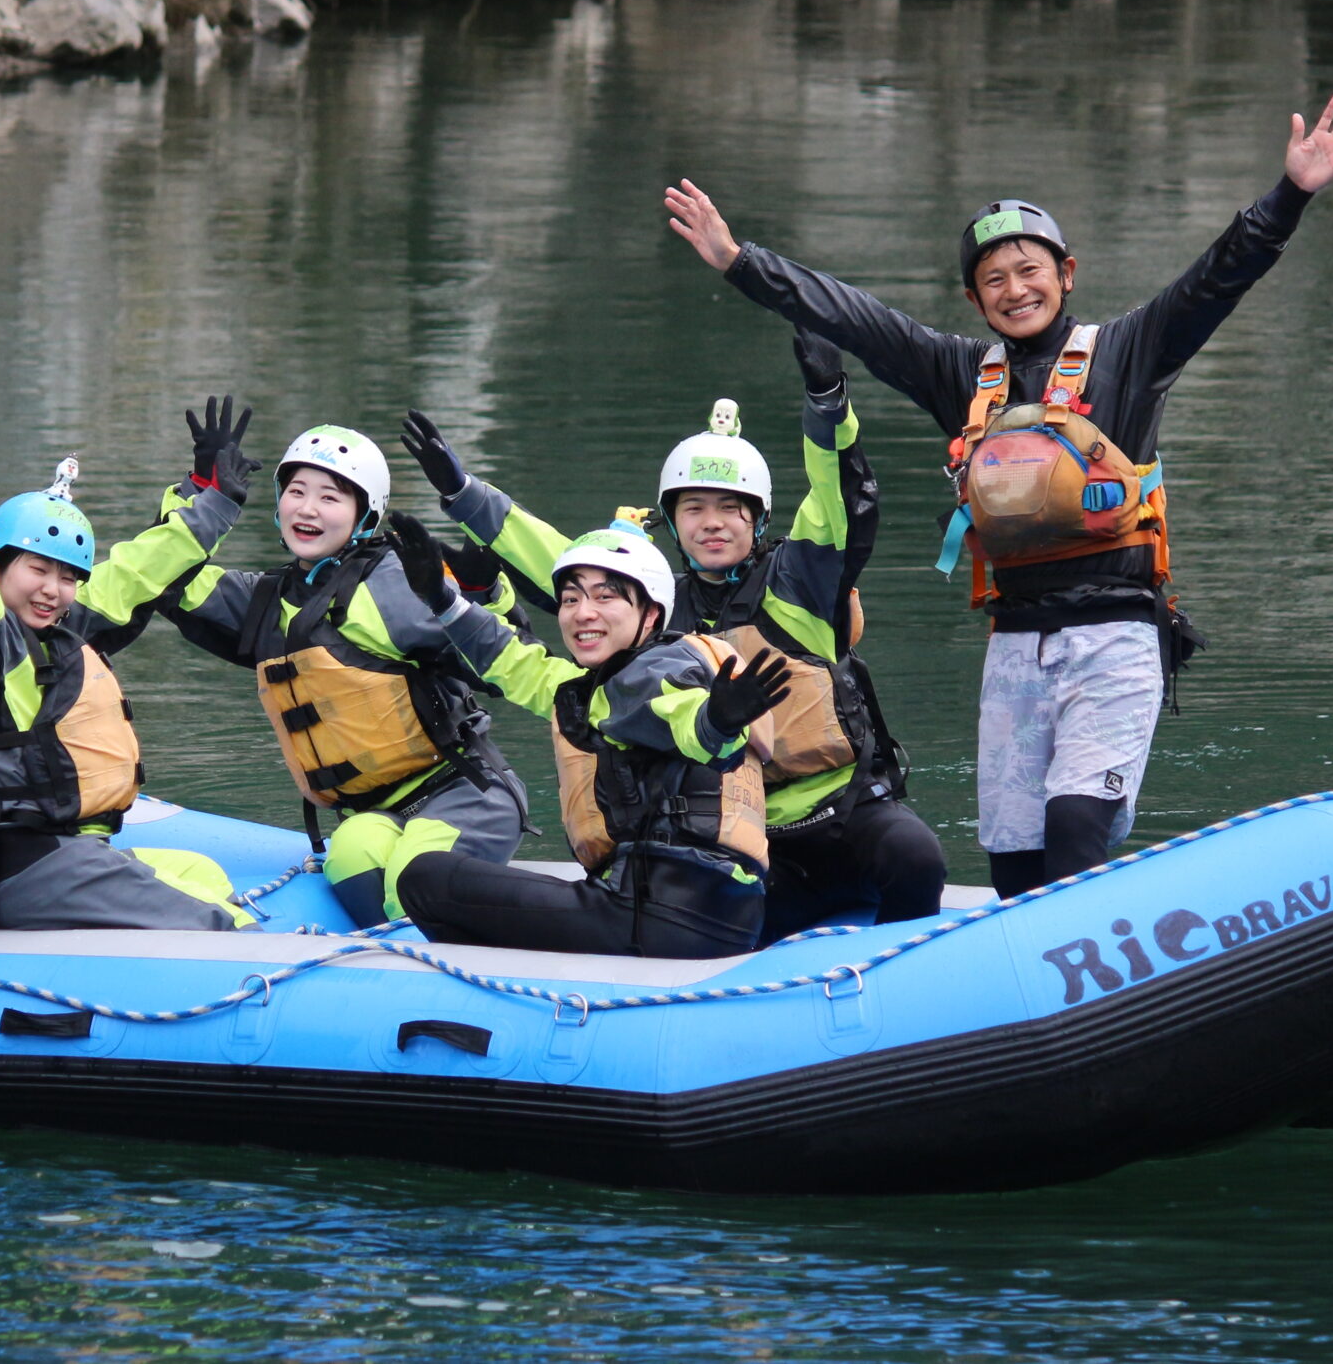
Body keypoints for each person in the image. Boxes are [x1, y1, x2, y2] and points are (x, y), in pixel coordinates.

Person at [662, 95, 1333, 898]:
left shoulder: (1129, 352)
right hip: (1015, 647)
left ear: (1065, 275)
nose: (1014, 288)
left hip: (1114, 638)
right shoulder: (964, 374)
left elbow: (1219, 278)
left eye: (1030, 269)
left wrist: (1292, 194)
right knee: (1011, 865)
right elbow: (860, 319)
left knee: (1076, 828)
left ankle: (1098, 1000)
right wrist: (739, 261)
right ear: (976, 301)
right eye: (993, 279)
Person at [397, 334, 948, 937]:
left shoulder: (800, 581)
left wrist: (827, 402)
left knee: (917, 859)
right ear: (672, 521)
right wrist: (462, 495)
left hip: (842, 811)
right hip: (749, 838)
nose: (711, 523)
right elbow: (560, 559)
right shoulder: (651, 608)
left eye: (729, 508)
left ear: (759, 517)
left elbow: (838, 496)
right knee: (729, 920)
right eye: (692, 509)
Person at [0, 412, 255, 931]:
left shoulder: (59, 629)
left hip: (72, 851)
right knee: (220, 923)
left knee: (202, 872)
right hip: (19, 869)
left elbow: (136, 574)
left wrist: (209, 496)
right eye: (36, 569)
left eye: (66, 577)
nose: (51, 590)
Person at [158, 425, 533, 929]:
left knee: (414, 881)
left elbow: (512, 657)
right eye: (295, 492)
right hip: (376, 814)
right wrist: (201, 490)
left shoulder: (393, 587)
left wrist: (487, 592)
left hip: (465, 795)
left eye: (329, 497)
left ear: (366, 514)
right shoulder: (266, 601)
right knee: (350, 858)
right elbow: (163, 574)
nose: (307, 509)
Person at [394, 520, 791, 957]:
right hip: (725, 915)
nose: (583, 612)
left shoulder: (649, 675)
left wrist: (715, 721)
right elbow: (511, 661)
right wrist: (440, 597)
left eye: (606, 597)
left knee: (423, 877)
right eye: (570, 598)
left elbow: (686, 721)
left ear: (652, 614)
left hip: (659, 916)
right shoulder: (599, 688)